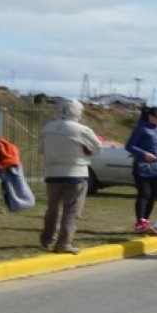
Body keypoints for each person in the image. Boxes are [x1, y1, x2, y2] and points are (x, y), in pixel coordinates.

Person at [39, 98, 101, 254]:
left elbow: (41, 149)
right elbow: (97, 148)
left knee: (53, 207)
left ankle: (47, 238)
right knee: (72, 210)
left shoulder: (48, 128)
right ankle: (64, 243)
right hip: (76, 172)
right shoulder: (82, 130)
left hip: (53, 172)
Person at [125, 106, 157, 233]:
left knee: (153, 195)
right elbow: (129, 146)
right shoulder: (141, 129)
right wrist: (144, 154)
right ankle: (140, 222)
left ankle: (146, 221)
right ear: (150, 116)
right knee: (144, 194)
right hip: (143, 167)